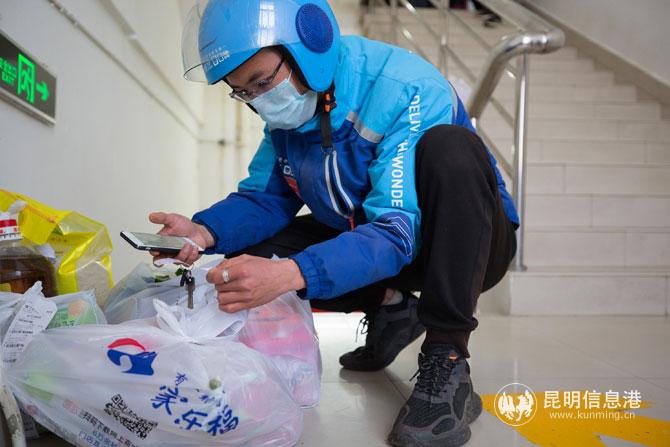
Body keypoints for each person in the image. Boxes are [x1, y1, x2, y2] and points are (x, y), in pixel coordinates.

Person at [152, 1, 519, 445]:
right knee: (251, 259)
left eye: (262, 83)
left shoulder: (406, 88)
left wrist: (290, 274)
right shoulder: (291, 117)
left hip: (464, 245)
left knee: (451, 149)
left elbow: (396, 231)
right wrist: (202, 232)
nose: (260, 101)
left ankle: (448, 359)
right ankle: (392, 306)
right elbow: (265, 199)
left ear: (308, 49)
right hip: (372, 237)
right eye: (243, 92)